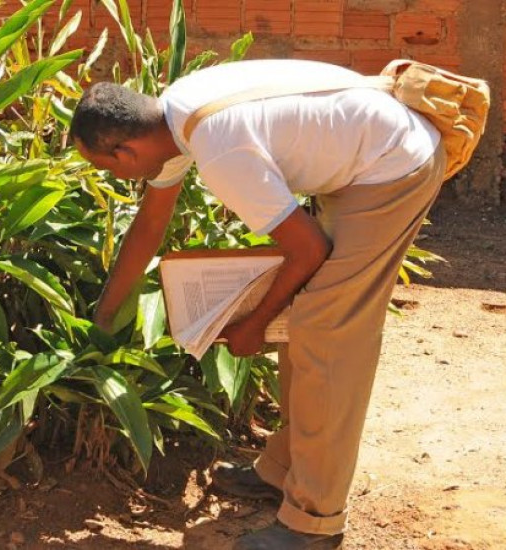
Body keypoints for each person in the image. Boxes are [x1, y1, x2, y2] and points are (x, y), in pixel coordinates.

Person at [69, 59, 444, 550]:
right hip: (363, 159)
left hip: (392, 168)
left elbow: (308, 250)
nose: (116, 177)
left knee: (327, 339)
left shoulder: (219, 147)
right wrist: (103, 317)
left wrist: (254, 325)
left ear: (126, 150)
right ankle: (283, 470)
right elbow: (150, 225)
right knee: (300, 325)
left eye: (108, 168)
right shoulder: (174, 117)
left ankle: (314, 524)